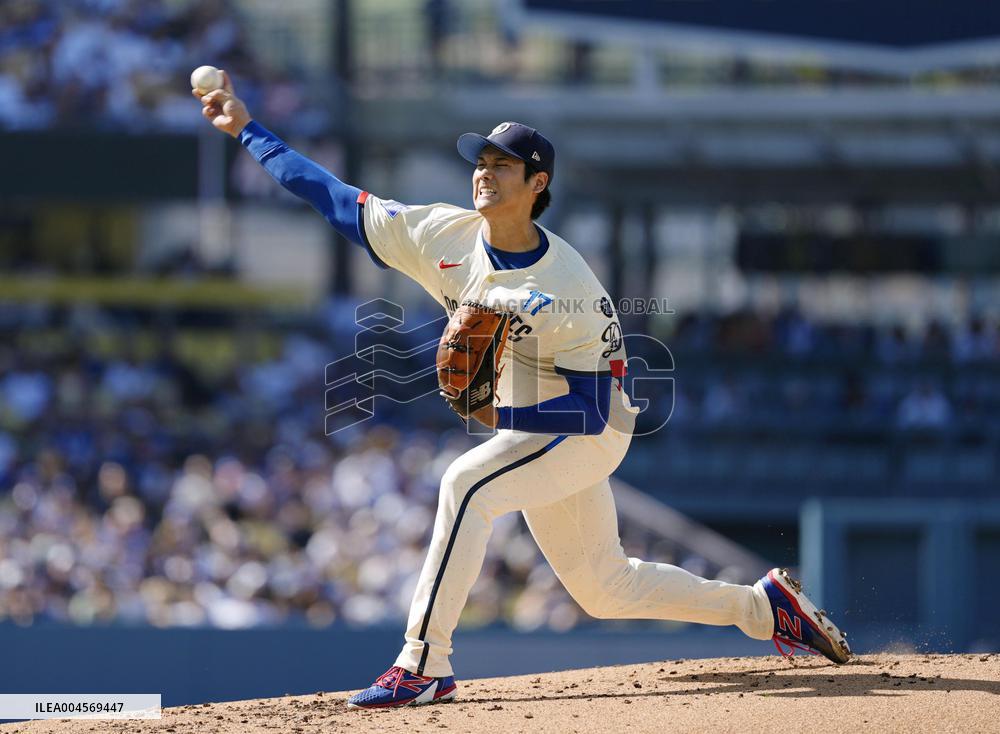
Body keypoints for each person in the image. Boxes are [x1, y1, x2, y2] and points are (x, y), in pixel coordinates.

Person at [194, 73, 852, 709]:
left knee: (465, 485)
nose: (484, 172)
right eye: (481, 161)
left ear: (538, 185)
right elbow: (333, 197)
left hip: (590, 427)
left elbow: (590, 411)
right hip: (533, 424)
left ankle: (422, 663)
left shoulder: (568, 286)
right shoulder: (441, 235)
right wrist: (248, 130)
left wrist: (495, 409)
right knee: (605, 588)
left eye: (503, 165)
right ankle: (763, 608)